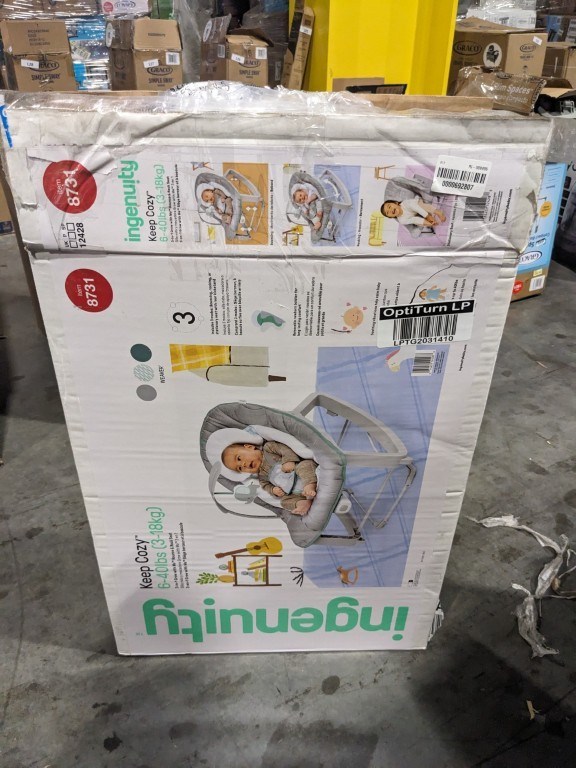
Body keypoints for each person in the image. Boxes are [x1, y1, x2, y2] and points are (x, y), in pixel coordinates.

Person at [222, 442, 318, 516]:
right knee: (284, 502)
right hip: (294, 492)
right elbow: (266, 486)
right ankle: (302, 503)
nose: (243, 464)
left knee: (305, 465)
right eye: (239, 468)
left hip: (298, 472)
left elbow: (285, 449)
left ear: (249, 447)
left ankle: (310, 486)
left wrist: (288, 461)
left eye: (239, 458)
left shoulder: (268, 448)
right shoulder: (261, 477)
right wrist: (273, 490)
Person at [381, 198, 446, 229]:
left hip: (417, 204)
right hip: (415, 214)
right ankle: (431, 223)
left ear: (396, 203)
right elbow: (414, 219)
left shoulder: (406, 203)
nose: (390, 210)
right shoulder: (402, 220)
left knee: (422, 206)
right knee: (416, 222)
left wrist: (428, 216)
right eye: (388, 212)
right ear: (391, 217)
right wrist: (428, 223)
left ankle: (438, 212)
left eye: (389, 206)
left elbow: (417, 209)